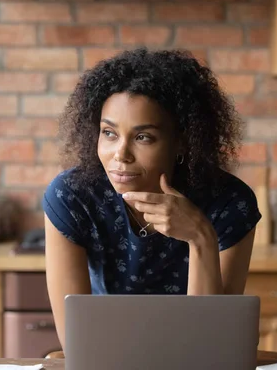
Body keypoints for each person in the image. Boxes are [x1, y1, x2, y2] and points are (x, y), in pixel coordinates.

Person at [42, 48, 262, 348]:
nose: (120, 154)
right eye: (109, 133)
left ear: (181, 141)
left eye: (143, 137)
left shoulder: (229, 203)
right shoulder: (71, 197)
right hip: (105, 359)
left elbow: (210, 342)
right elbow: (75, 343)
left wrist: (200, 237)